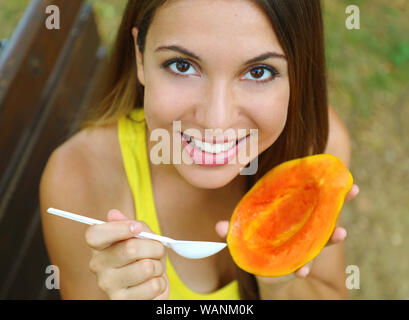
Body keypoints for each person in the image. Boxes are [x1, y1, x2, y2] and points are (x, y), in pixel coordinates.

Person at [39, 0, 359, 300]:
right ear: (140, 57)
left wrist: (280, 286)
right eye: (181, 65)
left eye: (259, 72)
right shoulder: (78, 180)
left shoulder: (317, 149)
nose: (216, 121)